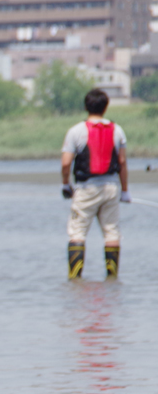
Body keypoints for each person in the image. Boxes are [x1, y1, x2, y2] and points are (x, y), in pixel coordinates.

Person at [61, 89, 130, 279]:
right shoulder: (117, 130)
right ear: (105, 107)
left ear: (86, 106)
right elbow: (122, 162)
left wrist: (65, 185)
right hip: (111, 188)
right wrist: (125, 191)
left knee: (77, 233)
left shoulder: (76, 131)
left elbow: (66, 163)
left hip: (86, 188)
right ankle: (112, 277)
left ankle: (75, 279)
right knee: (112, 232)